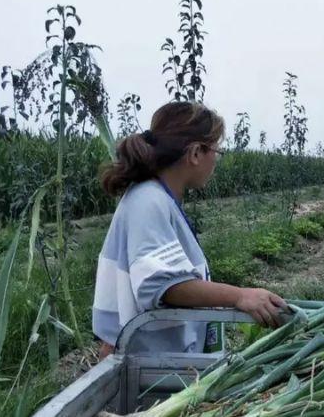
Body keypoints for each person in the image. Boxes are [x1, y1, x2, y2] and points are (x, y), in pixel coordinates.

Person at [93, 102, 288, 358]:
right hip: (148, 366)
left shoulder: (159, 199)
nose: (216, 161)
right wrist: (240, 296)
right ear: (195, 153)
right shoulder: (148, 201)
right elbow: (162, 284)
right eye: (216, 151)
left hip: (158, 360)